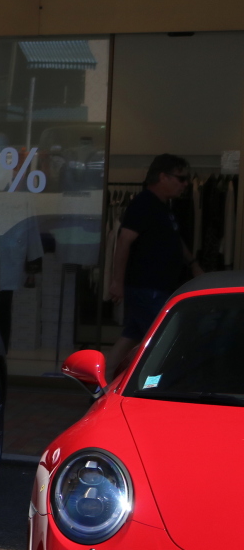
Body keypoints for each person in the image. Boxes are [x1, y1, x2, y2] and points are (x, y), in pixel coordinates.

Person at [106, 154, 201, 380]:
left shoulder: (163, 207)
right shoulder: (144, 204)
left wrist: (193, 264)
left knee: (132, 334)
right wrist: (117, 281)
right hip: (146, 286)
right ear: (163, 177)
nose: (185, 184)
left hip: (155, 286)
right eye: (181, 178)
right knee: (163, 339)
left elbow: (175, 239)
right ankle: (150, 385)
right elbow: (124, 241)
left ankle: (103, 380)